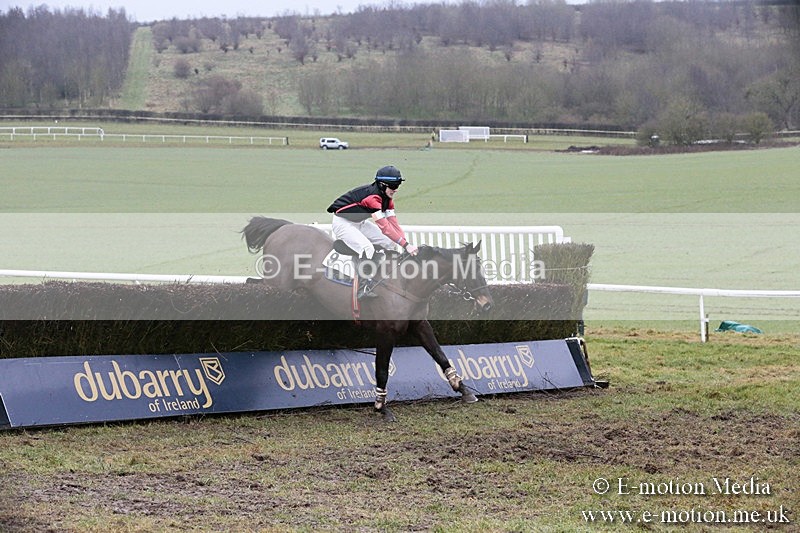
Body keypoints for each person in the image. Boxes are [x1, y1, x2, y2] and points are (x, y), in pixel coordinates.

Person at [327, 165, 419, 298]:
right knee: (367, 248)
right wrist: (406, 245)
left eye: (398, 185)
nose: (396, 190)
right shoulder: (372, 199)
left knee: (389, 242)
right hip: (342, 223)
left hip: (359, 223)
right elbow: (385, 228)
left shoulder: (387, 200)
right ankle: (363, 287)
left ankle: (388, 274)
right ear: (382, 185)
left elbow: (393, 224)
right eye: (393, 186)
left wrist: (405, 243)